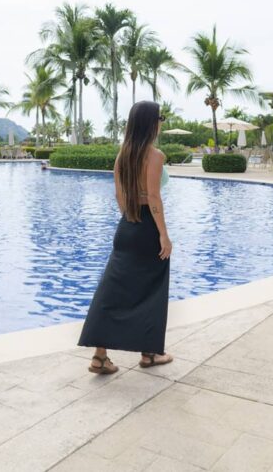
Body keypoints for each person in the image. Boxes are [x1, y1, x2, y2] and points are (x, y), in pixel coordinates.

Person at [79, 101, 174, 374]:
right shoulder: (155, 156)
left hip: (127, 225)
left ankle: (99, 356)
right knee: (152, 289)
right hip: (147, 228)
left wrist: (131, 214)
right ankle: (150, 354)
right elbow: (154, 196)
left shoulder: (123, 155)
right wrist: (163, 235)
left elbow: (119, 196)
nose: (162, 123)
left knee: (113, 290)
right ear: (150, 122)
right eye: (160, 118)